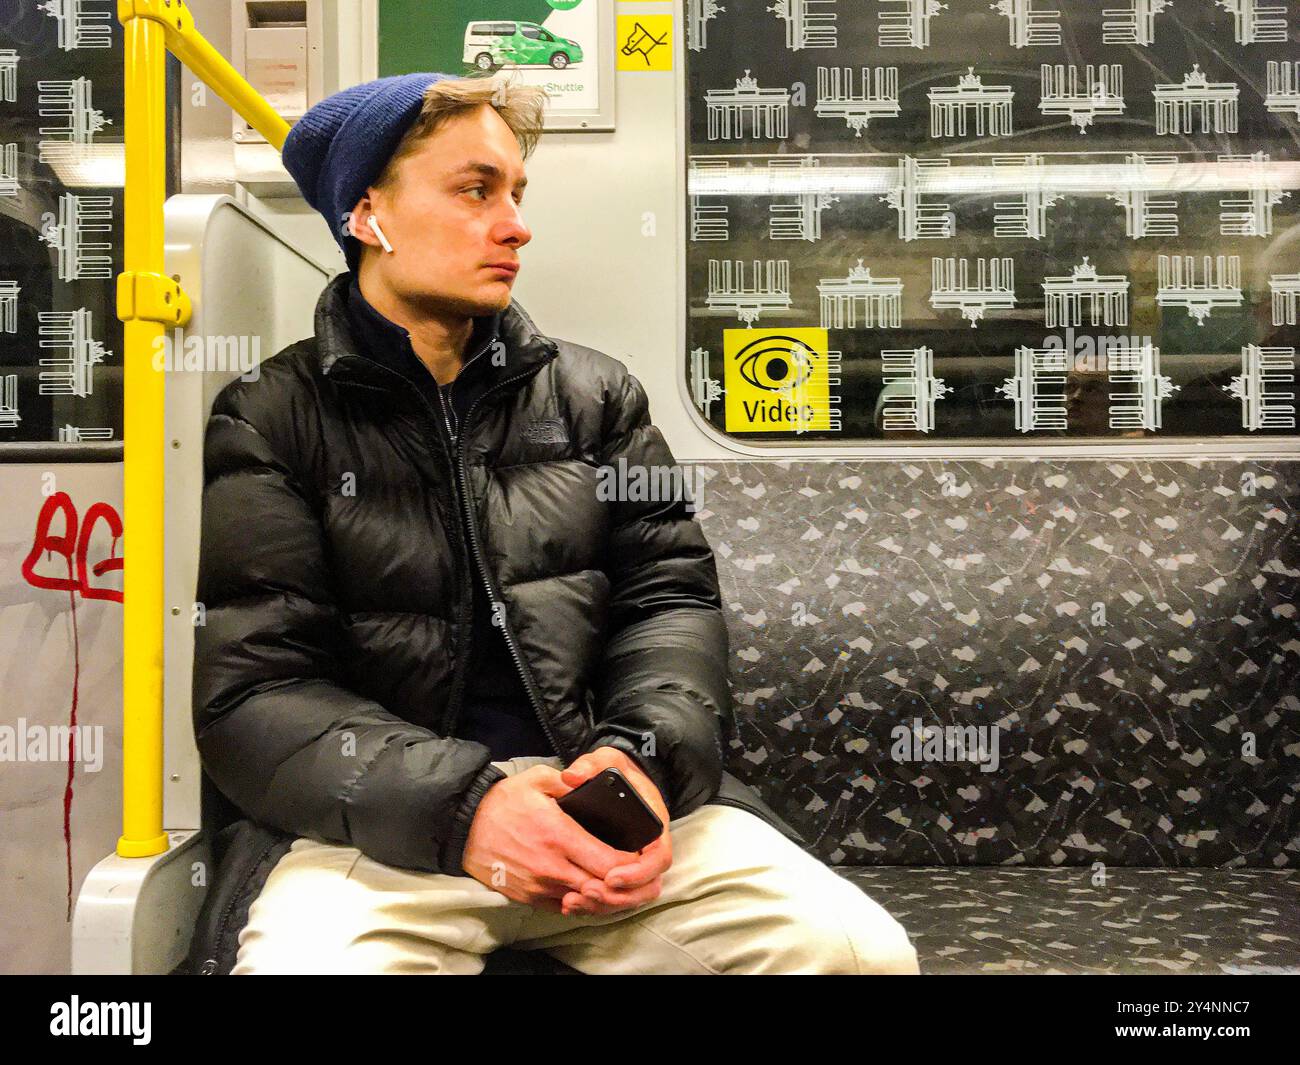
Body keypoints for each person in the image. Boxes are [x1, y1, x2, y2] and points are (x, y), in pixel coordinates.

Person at [191, 70, 920, 975]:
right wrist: (469, 807)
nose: (515, 224)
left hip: (597, 799)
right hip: (386, 833)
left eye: (517, 193)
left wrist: (639, 764)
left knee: (857, 951)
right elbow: (255, 695)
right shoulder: (271, 417)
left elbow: (670, 607)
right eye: (474, 190)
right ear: (367, 212)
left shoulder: (594, 398)